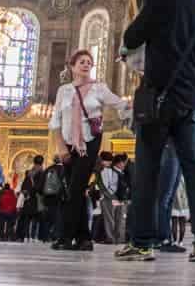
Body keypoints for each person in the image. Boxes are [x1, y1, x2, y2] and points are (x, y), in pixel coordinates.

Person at [118, 0, 195, 263]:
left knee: (147, 171)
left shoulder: (159, 1)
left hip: (157, 99)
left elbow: (132, 36)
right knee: (194, 169)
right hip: (190, 101)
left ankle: (142, 242)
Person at [48, 49, 129, 251]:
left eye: (89, 62)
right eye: (82, 61)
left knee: (75, 189)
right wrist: (60, 147)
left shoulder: (98, 88)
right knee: (74, 191)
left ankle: (65, 237)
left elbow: (119, 103)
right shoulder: (64, 91)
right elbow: (55, 120)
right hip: (67, 144)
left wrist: (139, 104)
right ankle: (84, 239)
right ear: (73, 66)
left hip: (89, 143)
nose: (86, 64)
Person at [154, 142, 184, 252]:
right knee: (164, 198)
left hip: (179, 150)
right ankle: (162, 238)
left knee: (170, 198)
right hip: (169, 147)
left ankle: (167, 238)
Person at [97, 153, 129, 245]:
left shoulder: (107, 171)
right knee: (116, 219)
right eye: (124, 162)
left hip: (113, 198)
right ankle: (116, 238)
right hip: (114, 198)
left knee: (115, 219)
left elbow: (104, 186)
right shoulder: (110, 171)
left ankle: (114, 238)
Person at [17, 156, 45, 242]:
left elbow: (23, 187)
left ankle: (26, 236)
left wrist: (26, 194)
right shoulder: (42, 173)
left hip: (28, 199)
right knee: (36, 220)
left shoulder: (29, 173)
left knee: (27, 219)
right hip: (37, 199)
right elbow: (41, 187)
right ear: (42, 162)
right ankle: (34, 237)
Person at [39, 155, 65, 242]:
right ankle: (56, 235)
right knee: (58, 216)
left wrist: (42, 194)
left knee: (47, 217)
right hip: (58, 197)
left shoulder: (47, 169)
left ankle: (45, 236)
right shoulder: (63, 169)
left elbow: (41, 184)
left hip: (47, 196)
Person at [171, 177, 189, 245]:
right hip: (184, 203)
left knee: (174, 223)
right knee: (182, 223)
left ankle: (175, 241)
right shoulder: (185, 177)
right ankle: (181, 242)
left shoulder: (174, 177)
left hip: (174, 203)